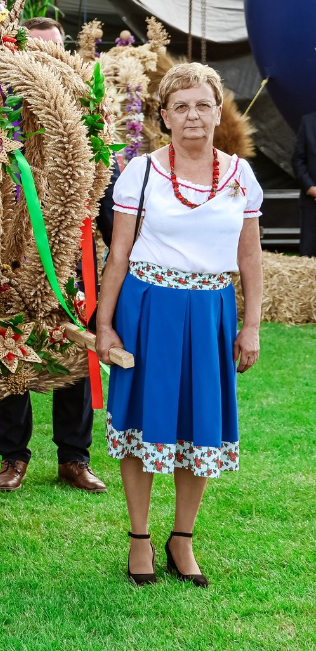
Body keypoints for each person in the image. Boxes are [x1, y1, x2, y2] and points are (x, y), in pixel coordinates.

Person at [96, 63, 262, 588]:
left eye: (203, 105)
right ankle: (140, 538)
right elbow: (118, 254)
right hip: (148, 309)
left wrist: (250, 323)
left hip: (211, 310)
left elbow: (250, 255)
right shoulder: (140, 173)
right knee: (145, 424)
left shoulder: (241, 176)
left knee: (200, 426)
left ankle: (182, 539)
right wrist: (105, 325)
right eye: (181, 107)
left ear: (218, 112)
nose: (193, 115)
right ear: (164, 117)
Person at [0, 16, 107, 494]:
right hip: (6, 251)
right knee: (9, 348)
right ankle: (12, 457)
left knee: (73, 346)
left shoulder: (84, 117)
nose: (42, 62)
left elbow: (104, 187)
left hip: (67, 249)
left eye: (52, 51)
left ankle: (74, 458)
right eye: (31, 52)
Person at [293, 110, 316, 256]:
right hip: (312, 204)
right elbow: (298, 159)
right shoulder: (308, 121)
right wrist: (311, 188)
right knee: (309, 254)